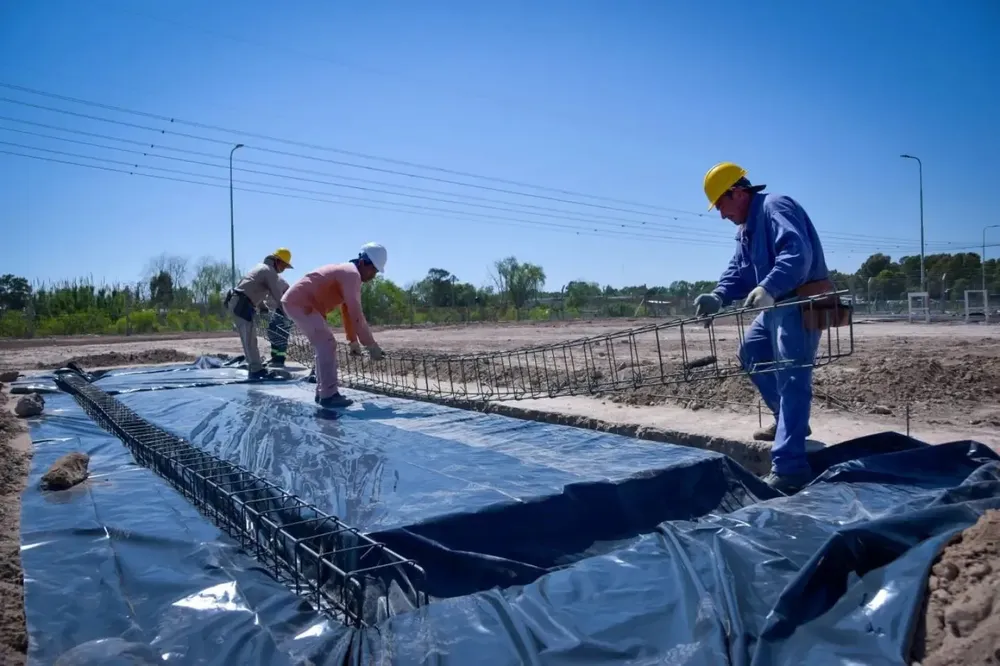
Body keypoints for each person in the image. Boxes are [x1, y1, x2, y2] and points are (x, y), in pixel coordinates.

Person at [694, 163, 831, 493]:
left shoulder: (775, 207)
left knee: (792, 375)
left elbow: (797, 253)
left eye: (721, 206)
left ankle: (790, 467)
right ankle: (788, 421)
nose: (722, 215)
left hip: (801, 300)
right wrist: (718, 295)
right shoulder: (746, 228)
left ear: (737, 193)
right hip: (777, 303)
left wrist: (769, 286)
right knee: (750, 351)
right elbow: (739, 272)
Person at [281, 242, 387, 409]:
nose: (373, 275)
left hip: (299, 303)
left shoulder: (348, 273)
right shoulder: (352, 274)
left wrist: (353, 341)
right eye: (373, 270)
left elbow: (347, 310)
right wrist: (371, 345)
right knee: (326, 343)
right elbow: (356, 313)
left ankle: (322, 392)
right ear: (363, 263)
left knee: (323, 344)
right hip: (301, 304)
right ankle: (329, 395)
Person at [225, 248, 293, 380]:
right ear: (277, 261)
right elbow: (277, 296)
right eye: (284, 266)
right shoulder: (269, 272)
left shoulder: (262, 268)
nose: (283, 269)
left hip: (240, 302)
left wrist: (262, 307)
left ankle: (255, 368)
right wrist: (288, 314)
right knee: (249, 339)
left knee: (249, 338)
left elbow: (253, 289)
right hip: (241, 304)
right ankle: (256, 371)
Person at [265, 275, 291, 368]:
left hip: (285, 310)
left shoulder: (277, 282)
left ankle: (279, 359)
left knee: (281, 335)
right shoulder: (271, 281)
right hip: (277, 311)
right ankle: (275, 357)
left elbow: (281, 299)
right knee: (272, 333)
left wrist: (286, 316)